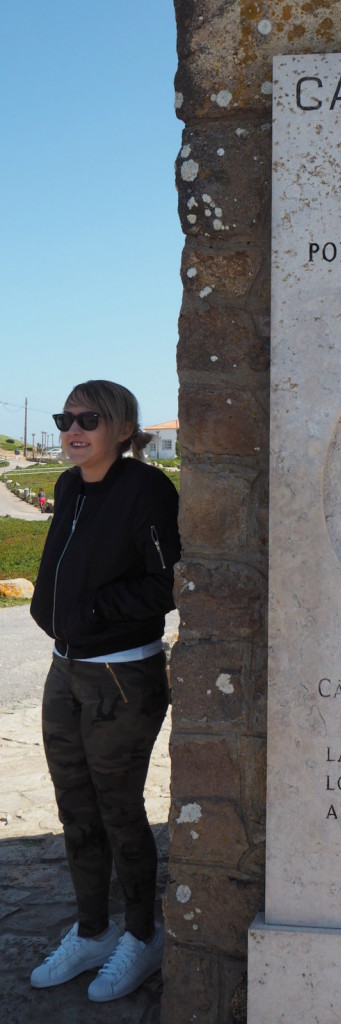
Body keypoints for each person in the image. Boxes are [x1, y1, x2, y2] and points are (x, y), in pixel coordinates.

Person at [28, 380, 181, 1003]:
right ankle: (92, 929)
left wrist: (91, 611)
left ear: (123, 429)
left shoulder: (146, 490)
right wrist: (53, 613)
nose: (73, 429)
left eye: (89, 419)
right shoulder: (68, 486)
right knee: (76, 807)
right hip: (65, 670)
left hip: (122, 673)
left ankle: (142, 936)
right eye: (67, 418)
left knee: (119, 810)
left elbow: (166, 583)